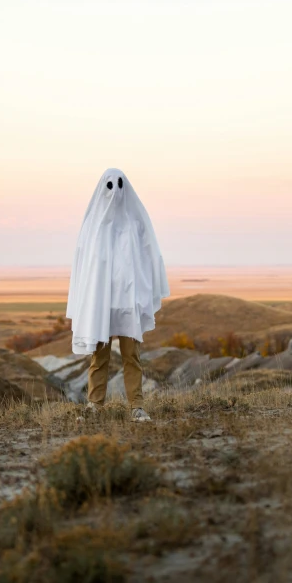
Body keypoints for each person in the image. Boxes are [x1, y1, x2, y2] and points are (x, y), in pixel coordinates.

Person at [66, 168, 170, 421]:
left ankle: (137, 407)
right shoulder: (93, 226)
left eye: (119, 184)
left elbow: (148, 256)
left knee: (131, 356)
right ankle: (94, 405)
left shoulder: (135, 223)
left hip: (127, 303)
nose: (115, 190)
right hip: (100, 304)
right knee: (99, 357)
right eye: (109, 185)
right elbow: (85, 265)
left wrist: (143, 293)